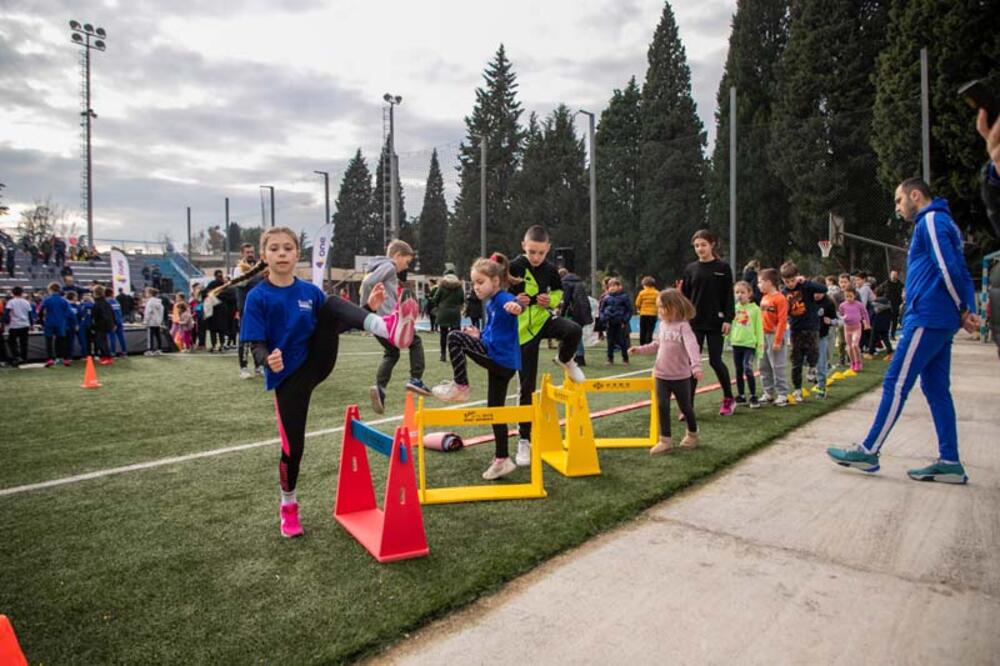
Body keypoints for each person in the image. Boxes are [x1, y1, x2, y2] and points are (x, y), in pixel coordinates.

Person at [237, 226, 416, 538]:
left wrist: (367, 310)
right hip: (287, 377)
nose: (281, 254)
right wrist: (267, 359)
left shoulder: (309, 292)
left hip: (317, 362)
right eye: (275, 249)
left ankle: (385, 326)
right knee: (293, 448)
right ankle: (288, 506)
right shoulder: (258, 296)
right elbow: (255, 344)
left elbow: (335, 323)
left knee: (331, 302)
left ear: (297, 254)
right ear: (264, 256)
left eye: (288, 248)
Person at [828, 178, 980, 483]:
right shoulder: (943, 221)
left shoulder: (932, 220)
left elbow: (949, 268)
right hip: (939, 316)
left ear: (915, 195)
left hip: (927, 316)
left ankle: (869, 449)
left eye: (899, 201)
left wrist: (963, 309)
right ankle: (949, 460)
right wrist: (965, 309)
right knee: (936, 389)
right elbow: (961, 269)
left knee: (896, 382)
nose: (897, 207)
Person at [431, 254, 524, 480]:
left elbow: (515, 305)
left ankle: (461, 386)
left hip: (500, 359)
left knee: (454, 337)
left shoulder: (502, 298)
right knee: (495, 410)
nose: (476, 287)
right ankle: (502, 460)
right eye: (473, 283)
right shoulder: (490, 302)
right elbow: (495, 332)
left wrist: (517, 306)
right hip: (502, 362)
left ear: (495, 280)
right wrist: (479, 335)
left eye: (480, 282)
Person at [509, 225, 586, 467]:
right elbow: (502, 293)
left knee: (573, 329)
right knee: (527, 386)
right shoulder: (514, 267)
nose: (536, 257)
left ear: (548, 250)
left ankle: (565, 359)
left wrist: (549, 301)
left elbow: (558, 293)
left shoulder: (551, 270)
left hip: (543, 320)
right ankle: (524, 439)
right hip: (522, 331)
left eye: (541, 253)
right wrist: (514, 300)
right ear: (523, 246)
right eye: (532, 251)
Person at [628, 288, 702, 454]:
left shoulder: (684, 327)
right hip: (661, 374)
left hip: (680, 376)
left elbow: (692, 347)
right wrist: (639, 350)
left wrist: (696, 366)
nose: (659, 310)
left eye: (662, 307)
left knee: (686, 407)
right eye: (658, 307)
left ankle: (692, 433)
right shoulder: (662, 325)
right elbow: (656, 345)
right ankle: (665, 440)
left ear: (674, 307)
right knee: (662, 406)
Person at [361, 240, 429, 414]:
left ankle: (380, 389)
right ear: (397, 256)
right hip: (388, 320)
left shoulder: (377, 266)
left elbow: (367, 283)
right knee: (416, 341)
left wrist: (364, 311)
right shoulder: (389, 266)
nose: (405, 266)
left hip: (376, 320)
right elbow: (369, 283)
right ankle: (415, 379)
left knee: (392, 353)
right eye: (406, 262)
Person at [681, 229, 735, 416]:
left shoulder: (723, 267)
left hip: (716, 322)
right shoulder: (690, 269)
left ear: (712, 244)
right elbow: (685, 298)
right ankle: (688, 406)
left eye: (703, 244)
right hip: (694, 323)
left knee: (715, 360)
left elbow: (729, 296)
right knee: (692, 363)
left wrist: (728, 319)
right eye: (696, 246)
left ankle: (729, 398)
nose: (700, 248)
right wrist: (682, 320)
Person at [780, 261, 828, 402]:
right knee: (796, 360)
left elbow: (823, 289)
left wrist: (806, 281)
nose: (790, 284)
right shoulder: (784, 292)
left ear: (797, 277)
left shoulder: (805, 287)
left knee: (813, 352)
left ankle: (812, 368)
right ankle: (797, 389)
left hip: (811, 326)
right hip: (795, 328)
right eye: (787, 281)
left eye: (792, 280)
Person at [728, 280, 764, 408]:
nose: (739, 295)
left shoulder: (755, 310)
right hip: (736, 343)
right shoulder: (734, 308)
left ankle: (753, 395)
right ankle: (741, 395)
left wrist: (760, 347)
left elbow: (759, 329)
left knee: (747, 368)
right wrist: (727, 336)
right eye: (737, 292)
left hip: (749, 345)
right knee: (738, 370)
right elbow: (730, 324)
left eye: (742, 292)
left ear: (749, 294)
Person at [233, 243, 266, 378]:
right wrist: (256, 274)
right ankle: (244, 368)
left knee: (259, 337)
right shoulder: (239, 268)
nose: (251, 254)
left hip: (260, 307)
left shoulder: (259, 267)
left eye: (252, 252)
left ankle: (259, 366)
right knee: (245, 338)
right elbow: (241, 283)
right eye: (247, 252)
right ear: (242, 253)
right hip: (246, 307)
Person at [757, 268, 789, 407]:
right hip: (763, 336)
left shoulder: (780, 298)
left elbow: (782, 321)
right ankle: (768, 392)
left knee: (777, 366)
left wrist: (777, 340)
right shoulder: (764, 298)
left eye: (760, 282)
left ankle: (782, 394)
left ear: (769, 282)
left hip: (774, 336)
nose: (758, 285)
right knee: (763, 365)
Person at [557, 266, 592, 366]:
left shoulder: (566, 283)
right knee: (577, 333)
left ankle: (578, 357)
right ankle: (578, 356)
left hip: (574, 312)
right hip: (582, 312)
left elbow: (567, 300)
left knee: (573, 333)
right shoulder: (578, 282)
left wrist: (562, 313)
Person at [431, 267, 464, 363]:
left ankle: (443, 354)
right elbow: (462, 300)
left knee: (443, 334)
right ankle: (455, 355)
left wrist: (438, 305)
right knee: (456, 335)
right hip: (455, 313)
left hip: (443, 312)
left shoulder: (442, 286)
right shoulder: (459, 287)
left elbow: (435, 299)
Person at [599, 277, 633, 365]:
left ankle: (625, 359)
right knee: (610, 342)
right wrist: (603, 318)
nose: (612, 287)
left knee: (622, 341)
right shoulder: (606, 298)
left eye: (614, 285)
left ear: (619, 287)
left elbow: (629, 310)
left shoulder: (624, 297)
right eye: (610, 286)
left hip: (619, 323)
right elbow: (601, 310)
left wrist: (624, 321)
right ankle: (610, 359)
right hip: (609, 323)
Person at [813, 287, 838, 398]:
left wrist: (831, 321)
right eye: (815, 292)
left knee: (821, 363)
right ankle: (812, 375)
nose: (817, 295)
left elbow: (837, 320)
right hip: (808, 335)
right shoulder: (808, 299)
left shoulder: (828, 303)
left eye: (819, 292)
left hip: (822, 336)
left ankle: (821, 389)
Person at [5, 286, 33, 366]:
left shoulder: (11, 302)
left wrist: (3, 322)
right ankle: (24, 358)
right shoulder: (26, 302)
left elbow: (7, 313)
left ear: (13, 293)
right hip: (25, 324)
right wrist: (31, 324)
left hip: (15, 325)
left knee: (12, 342)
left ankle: (16, 357)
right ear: (22, 293)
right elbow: (30, 314)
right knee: (24, 343)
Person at [91, 285, 116, 365]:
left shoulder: (97, 304)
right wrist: (113, 324)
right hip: (108, 324)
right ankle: (105, 357)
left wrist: (94, 326)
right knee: (103, 341)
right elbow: (112, 314)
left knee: (101, 341)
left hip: (100, 325)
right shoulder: (106, 303)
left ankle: (107, 357)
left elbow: (95, 316)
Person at [635, 276, 660, 345]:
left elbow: (637, 303)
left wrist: (639, 308)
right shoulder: (657, 293)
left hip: (643, 314)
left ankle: (642, 343)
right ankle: (649, 343)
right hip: (653, 314)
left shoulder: (642, 293)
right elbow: (659, 303)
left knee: (643, 330)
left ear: (645, 285)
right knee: (650, 330)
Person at [880, 270, 904, 339]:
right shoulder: (886, 283)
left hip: (896, 305)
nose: (893, 276)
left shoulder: (900, 284)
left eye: (895, 275)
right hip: (887, 305)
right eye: (892, 274)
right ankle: (885, 335)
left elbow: (903, 293)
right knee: (886, 321)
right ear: (890, 275)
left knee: (894, 321)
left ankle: (892, 335)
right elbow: (878, 291)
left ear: (897, 276)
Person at [144, 287, 164, 355]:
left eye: (146, 292)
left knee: (150, 337)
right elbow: (161, 313)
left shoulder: (150, 302)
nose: (145, 294)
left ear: (150, 293)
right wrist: (160, 321)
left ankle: (150, 350)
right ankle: (159, 349)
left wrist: (145, 321)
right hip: (158, 322)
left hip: (151, 322)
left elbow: (148, 313)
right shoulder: (160, 302)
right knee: (158, 336)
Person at [107, 290, 127, 357]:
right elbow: (120, 312)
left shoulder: (107, 302)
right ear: (111, 294)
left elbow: (109, 314)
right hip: (119, 321)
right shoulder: (116, 301)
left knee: (112, 337)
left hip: (112, 322)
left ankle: (113, 352)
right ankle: (124, 352)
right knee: (121, 337)